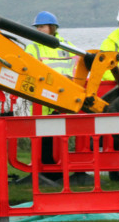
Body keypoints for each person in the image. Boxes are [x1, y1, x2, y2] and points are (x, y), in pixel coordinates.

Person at [25, 11, 79, 181]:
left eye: (43, 27)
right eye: (38, 27)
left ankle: (58, 171)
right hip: (44, 99)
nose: (40, 30)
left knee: (60, 136)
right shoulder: (32, 48)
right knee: (45, 138)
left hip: (64, 99)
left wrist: (71, 79)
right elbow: (27, 69)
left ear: (52, 28)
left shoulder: (67, 46)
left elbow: (77, 66)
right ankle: (47, 172)